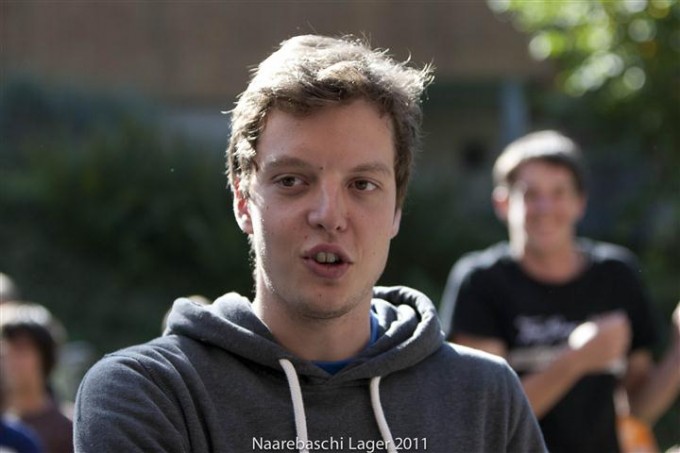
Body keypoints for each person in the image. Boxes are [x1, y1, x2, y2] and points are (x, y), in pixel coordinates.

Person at [74, 35, 546, 452]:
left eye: (362, 185)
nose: (329, 216)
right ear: (243, 200)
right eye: (292, 181)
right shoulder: (152, 394)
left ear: (396, 210)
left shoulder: (485, 396)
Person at [439, 130, 680, 453]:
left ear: (580, 202)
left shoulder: (616, 275)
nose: (545, 207)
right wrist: (576, 360)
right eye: (530, 194)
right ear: (503, 203)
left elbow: (638, 410)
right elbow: (489, 419)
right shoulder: (481, 281)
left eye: (559, 192)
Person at [0, 302, 73, 453]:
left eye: (21, 350)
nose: (10, 360)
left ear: (46, 358)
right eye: (6, 350)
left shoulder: (70, 428)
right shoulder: (4, 429)